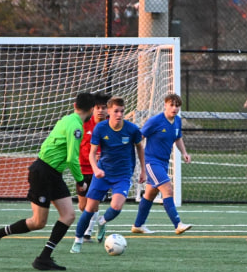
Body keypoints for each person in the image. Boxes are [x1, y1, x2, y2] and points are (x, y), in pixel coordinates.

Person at [0, 93, 95, 270]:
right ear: (91, 110)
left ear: (75, 105)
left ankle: (44, 258)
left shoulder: (67, 119)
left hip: (52, 174)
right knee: (38, 222)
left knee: (69, 215)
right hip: (43, 172)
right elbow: (72, 158)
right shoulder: (76, 126)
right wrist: (80, 181)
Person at [71, 96, 145, 253]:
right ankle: (78, 240)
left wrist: (143, 170)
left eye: (122, 111)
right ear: (109, 112)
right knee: (89, 208)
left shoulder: (131, 129)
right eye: (116, 111)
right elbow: (92, 154)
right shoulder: (101, 128)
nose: (119, 114)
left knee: (117, 206)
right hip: (103, 174)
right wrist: (96, 169)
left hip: (123, 174)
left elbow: (140, 148)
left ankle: (102, 221)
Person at [132, 93, 192, 235]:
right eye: (171, 105)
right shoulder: (155, 121)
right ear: (165, 105)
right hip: (152, 162)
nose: (174, 108)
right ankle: (178, 224)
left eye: (177, 106)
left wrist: (184, 153)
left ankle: (138, 225)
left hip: (163, 163)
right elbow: (139, 137)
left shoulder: (177, 121)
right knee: (168, 189)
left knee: (150, 195)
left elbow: (178, 138)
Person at [76, 93, 109, 242]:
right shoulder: (84, 125)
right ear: (93, 109)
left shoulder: (110, 126)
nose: (101, 110)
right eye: (98, 108)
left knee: (93, 204)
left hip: (100, 171)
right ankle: (93, 225)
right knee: (83, 205)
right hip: (82, 170)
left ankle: (87, 233)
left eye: (104, 108)